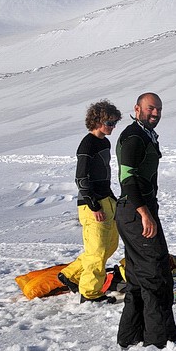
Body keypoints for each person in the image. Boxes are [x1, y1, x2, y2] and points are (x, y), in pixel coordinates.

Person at [114, 92, 176, 348]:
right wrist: (144, 212)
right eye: (150, 109)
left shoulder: (144, 134)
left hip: (135, 210)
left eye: (158, 109)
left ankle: (130, 335)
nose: (155, 113)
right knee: (156, 275)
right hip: (136, 211)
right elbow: (127, 177)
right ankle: (161, 340)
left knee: (137, 276)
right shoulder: (134, 136)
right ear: (137, 109)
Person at [59, 100, 123, 303]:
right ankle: (90, 294)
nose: (113, 127)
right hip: (92, 204)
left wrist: (111, 198)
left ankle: (71, 274)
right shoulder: (87, 144)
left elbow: (102, 174)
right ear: (97, 121)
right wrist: (93, 204)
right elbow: (81, 178)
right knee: (97, 251)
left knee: (110, 246)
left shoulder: (104, 142)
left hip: (106, 200)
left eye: (114, 123)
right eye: (109, 122)